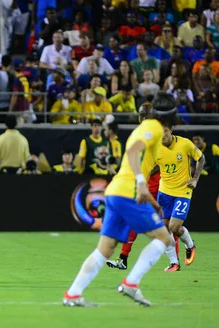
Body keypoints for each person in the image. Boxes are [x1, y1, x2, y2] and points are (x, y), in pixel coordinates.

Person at [63, 93, 178, 308]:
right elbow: (134, 153)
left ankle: (73, 294)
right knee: (164, 238)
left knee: (105, 249)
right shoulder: (154, 127)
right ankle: (131, 284)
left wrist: (151, 199)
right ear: (171, 114)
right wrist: (142, 184)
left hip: (116, 191)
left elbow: (134, 158)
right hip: (129, 192)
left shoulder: (144, 129)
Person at [107, 103, 180, 271]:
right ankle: (123, 260)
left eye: (146, 115)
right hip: (144, 186)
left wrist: (144, 174)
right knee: (134, 222)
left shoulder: (157, 133)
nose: (143, 118)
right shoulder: (143, 133)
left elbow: (162, 161)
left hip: (158, 186)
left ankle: (175, 260)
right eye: (142, 115)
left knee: (166, 224)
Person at [155, 123, 205, 272]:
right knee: (163, 230)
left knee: (174, 227)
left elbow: (201, 159)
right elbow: (157, 165)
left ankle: (190, 245)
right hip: (164, 191)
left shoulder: (184, 143)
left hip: (183, 191)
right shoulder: (154, 147)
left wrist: (195, 179)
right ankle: (174, 263)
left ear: (170, 130)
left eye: (165, 131)